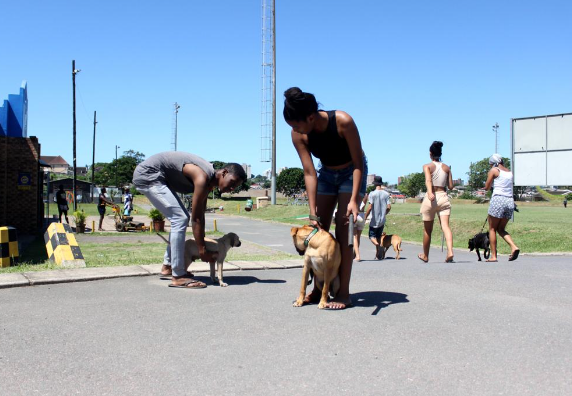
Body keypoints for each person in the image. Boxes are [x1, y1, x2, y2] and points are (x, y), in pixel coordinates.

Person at [284, 87, 367, 310]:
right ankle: (317, 290)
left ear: (310, 117)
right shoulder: (298, 135)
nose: (294, 130)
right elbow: (310, 172)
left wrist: (353, 200)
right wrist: (313, 213)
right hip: (326, 174)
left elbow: (358, 163)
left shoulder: (342, 121)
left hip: (352, 172)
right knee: (318, 228)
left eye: (296, 124)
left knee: (344, 229)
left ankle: (343, 293)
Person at [133, 152, 246, 288]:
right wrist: (202, 251)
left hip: (160, 178)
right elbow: (196, 219)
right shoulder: (202, 177)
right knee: (180, 218)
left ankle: (168, 266)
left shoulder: (208, 184)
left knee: (181, 218)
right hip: (149, 175)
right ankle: (178, 275)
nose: (232, 188)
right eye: (232, 182)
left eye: (235, 187)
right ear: (224, 172)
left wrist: (202, 244)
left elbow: (200, 216)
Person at [418, 141, 454, 263]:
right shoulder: (447, 167)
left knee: (428, 230)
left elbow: (428, 180)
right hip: (443, 196)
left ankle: (425, 255)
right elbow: (451, 186)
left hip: (432, 197)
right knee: (445, 226)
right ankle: (450, 252)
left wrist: (429, 193)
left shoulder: (427, 166)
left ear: (430, 154)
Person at [484, 154, 520, 262]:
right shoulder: (509, 172)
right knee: (501, 229)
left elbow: (487, 186)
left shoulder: (494, 171)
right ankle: (514, 247)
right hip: (509, 201)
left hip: (498, 199)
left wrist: (486, 185)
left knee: (492, 228)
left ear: (494, 163)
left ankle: (494, 256)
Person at [364, 177, 391, 259]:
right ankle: (378, 254)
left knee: (372, 236)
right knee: (379, 236)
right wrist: (384, 213)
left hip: (373, 219)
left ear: (375, 184)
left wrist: (365, 216)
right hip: (382, 220)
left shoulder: (372, 194)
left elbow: (370, 207)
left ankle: (377, 245)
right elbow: (389, 207)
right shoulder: (386, 194)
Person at [353, 193, 368, 262]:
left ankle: (358, 255)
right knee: (358, 237)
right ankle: (355, 253)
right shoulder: (365, 195)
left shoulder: (355, 194)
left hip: (356, 214)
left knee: (354, 236)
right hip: (362, 215)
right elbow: (363, 205)